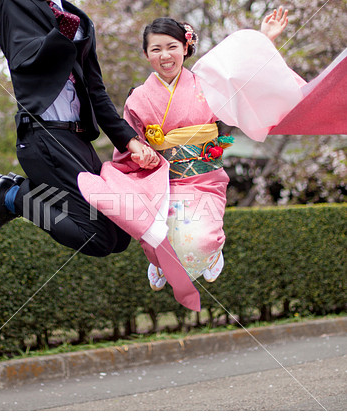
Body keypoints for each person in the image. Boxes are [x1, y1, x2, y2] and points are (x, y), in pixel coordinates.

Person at [0, 0, 159, 257]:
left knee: (120, 233)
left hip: (78, 140)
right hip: (43, 135)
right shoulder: (8, 5)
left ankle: (15, 192)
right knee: (98, 239)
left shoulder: (80, 19)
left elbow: (96, 92)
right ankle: (14, 197)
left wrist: (130, 141)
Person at [122, 7, 292, 289]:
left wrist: (265, 38)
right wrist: (140, 150)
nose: (165, 56)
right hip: (162, 180)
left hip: (204, 176)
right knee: (156, 236)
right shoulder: (138, 98)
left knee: (204, 237)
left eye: (172, 47)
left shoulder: (206, 83)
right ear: (146, 54)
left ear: (185, 47)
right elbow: (127, 139)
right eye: (156, 49)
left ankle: (213, 254)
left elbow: (244, 76)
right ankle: (159, 264)